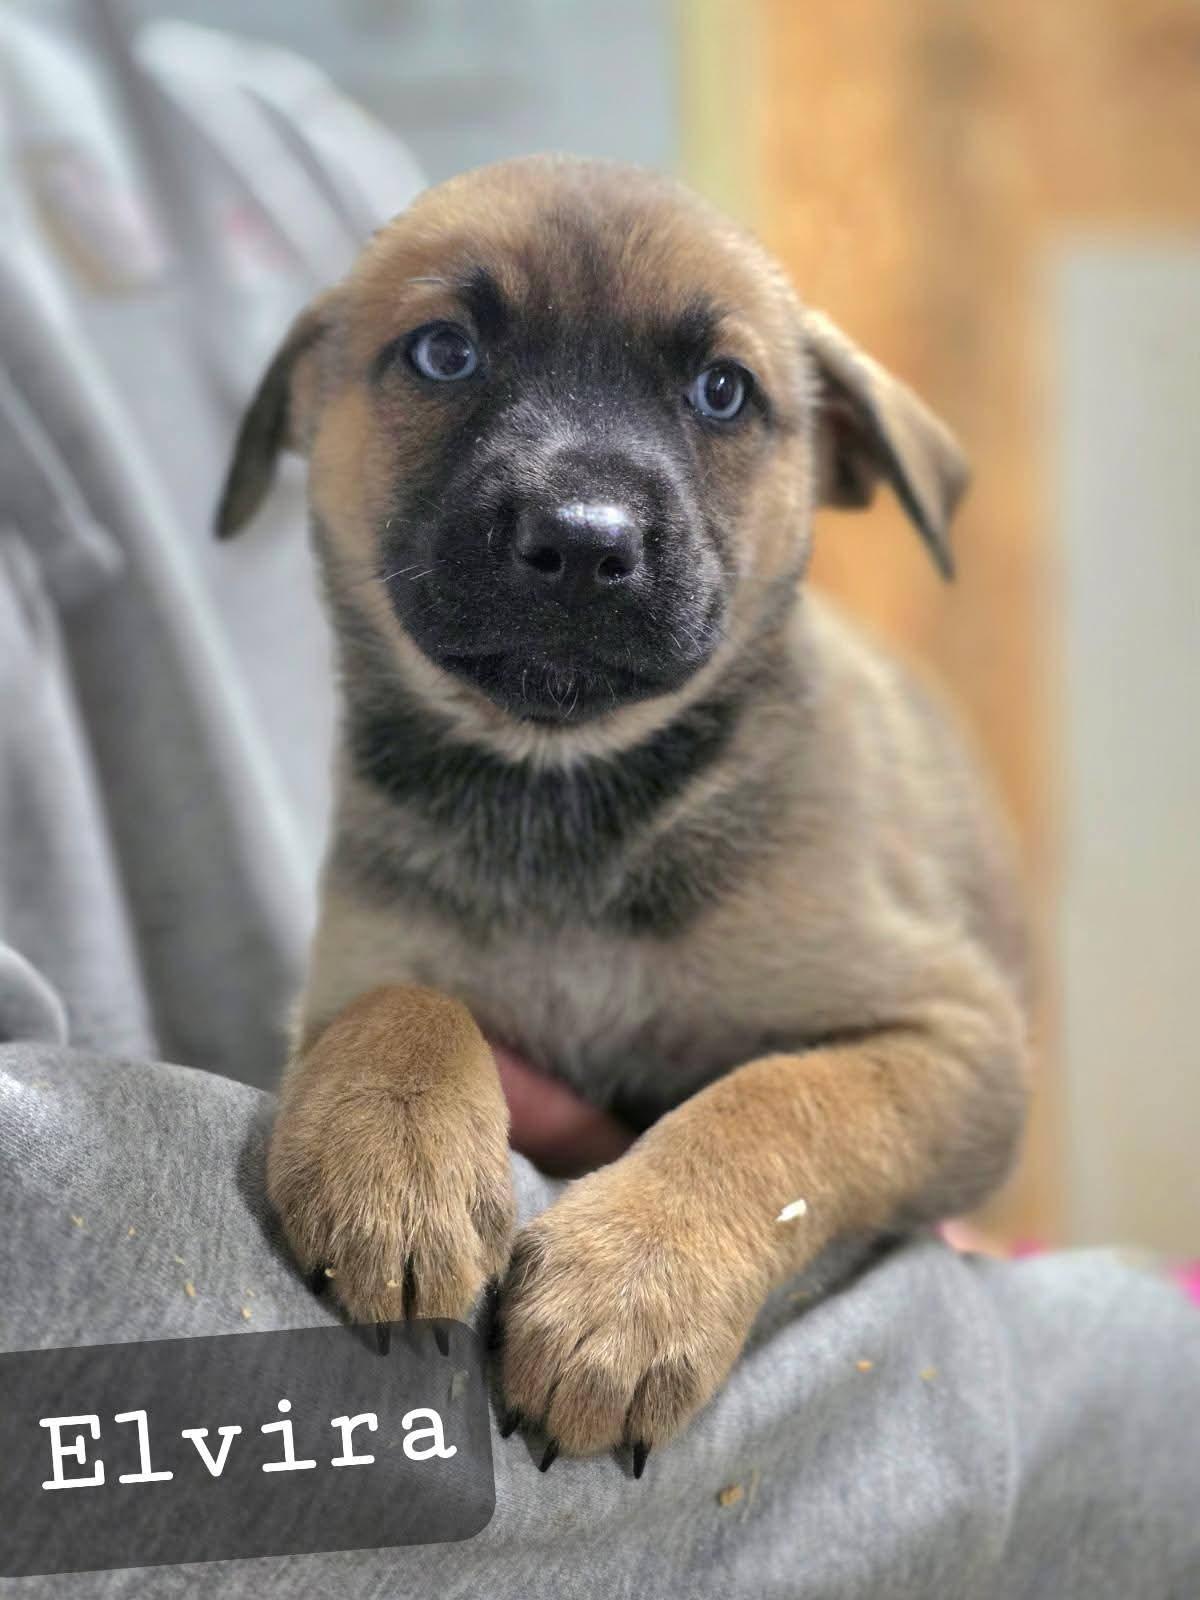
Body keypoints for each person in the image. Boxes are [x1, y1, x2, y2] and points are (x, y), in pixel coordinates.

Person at [1, 6, 1198, 1596]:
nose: (578, 500)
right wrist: (389, 1039)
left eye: (714, 396)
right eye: (447, 354)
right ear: (301, 412)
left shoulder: (263, 142)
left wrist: (729, 1202)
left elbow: (954, 1071)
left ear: (838, 458)